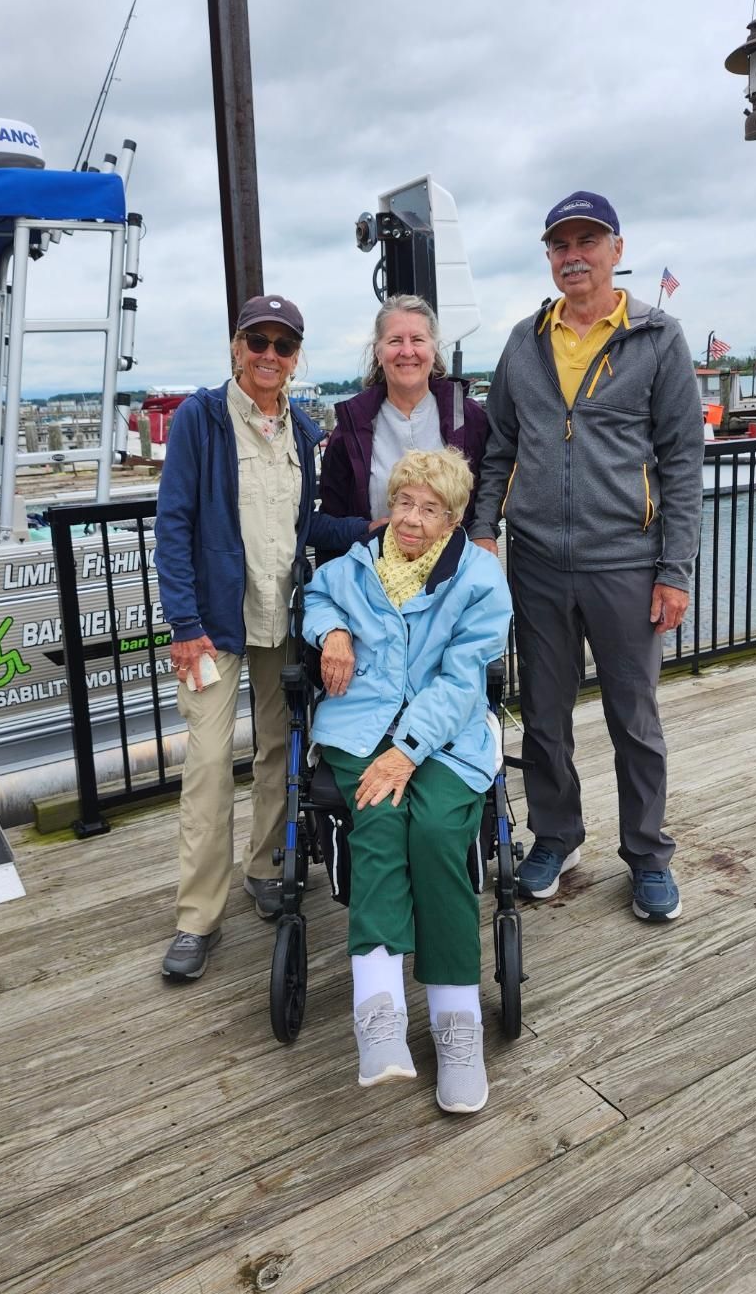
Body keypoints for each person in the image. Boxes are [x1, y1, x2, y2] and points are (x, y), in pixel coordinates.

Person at [469, 192, 703, 922]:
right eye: (560, 243)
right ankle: (557, 836)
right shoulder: (523, 340)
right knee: (544, 714)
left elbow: (682, 461)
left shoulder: (658, 339)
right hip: (536, 560)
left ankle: (647, 855)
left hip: (625, 562)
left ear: (614, 248)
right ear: (549, 256)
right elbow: (500, 445)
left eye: (587, 241)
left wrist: (675, 570)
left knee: (634, 716)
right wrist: (482, 530)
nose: (574, 254)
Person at [154, 295, 371, 981]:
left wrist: (374, 527)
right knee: (211, 764)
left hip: (282, 620)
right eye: (258, 341)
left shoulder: (305, 431)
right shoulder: (201, 419)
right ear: (237, 346)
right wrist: (183, 624)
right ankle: (197, 918)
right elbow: (174, 524)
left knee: (280, 749)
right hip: (214, 627)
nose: (269, 356)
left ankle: (265, 868)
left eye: (283, 345)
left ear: (296, 356)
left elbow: (305, 534)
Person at [304, 447, 513, 1114]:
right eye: (403, 503)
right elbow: (311, 598)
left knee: (436, 830)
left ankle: (457, 1028)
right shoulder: (353, 568)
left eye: (430, 508)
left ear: (453, 520)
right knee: (380, 820)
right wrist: (332, 630)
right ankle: (381, 1014)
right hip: (361, 725)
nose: (412, 519)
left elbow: (462, 683)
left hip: (445, 737)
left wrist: (409, 751)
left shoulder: (480, 579)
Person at [318, 294, 488, 531]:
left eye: (417, 339)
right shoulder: (350, 430)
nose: (407, 351)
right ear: (378, 353)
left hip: (455, 565)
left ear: (434, 349)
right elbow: (327, 523)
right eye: (395, 341)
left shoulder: (471, 419)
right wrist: (365, 530)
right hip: (378, 565)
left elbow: (490, 495)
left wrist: (483, 534)